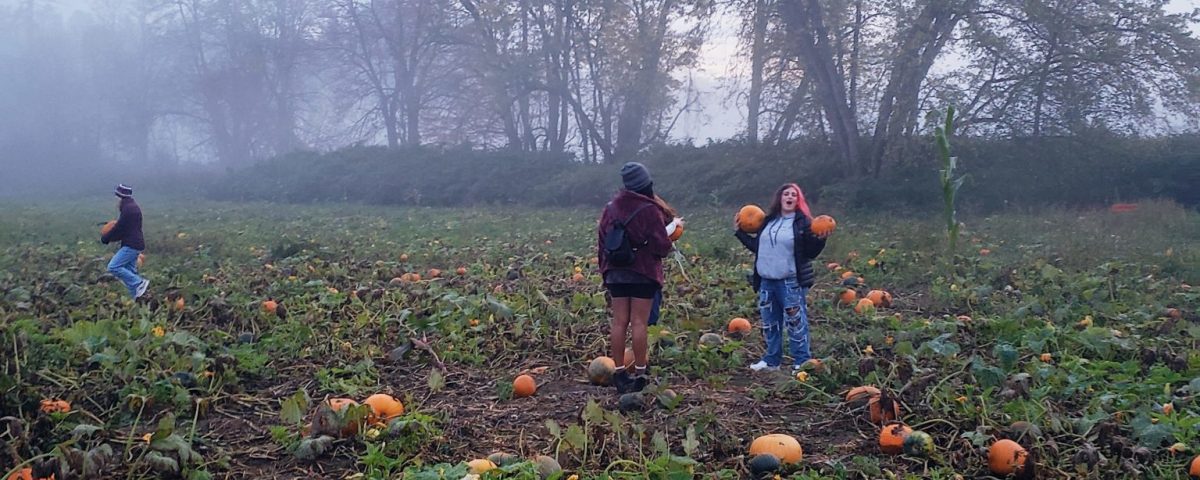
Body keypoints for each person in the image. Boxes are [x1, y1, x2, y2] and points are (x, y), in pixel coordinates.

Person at [597, 163, 680, 393]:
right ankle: (641, 373)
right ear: (646, 184)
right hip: (642, 272)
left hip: (616, 273)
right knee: (639, 323)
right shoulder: (649, 210)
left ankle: (620, 373)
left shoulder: (610, 208)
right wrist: (671, 237)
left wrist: (606, 271)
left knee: (619, 322)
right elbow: (661, 246)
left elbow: (602, 241)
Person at [734, 183, 829, 373]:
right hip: (766, 280)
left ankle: (801, 361)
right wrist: (739, 233)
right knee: (770, 322)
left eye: (794, 194)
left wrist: (821, 239)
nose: (790, 197)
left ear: (798, 200)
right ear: (780, 198)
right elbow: (757, 247)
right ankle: (771, 360)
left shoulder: (804, 223)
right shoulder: (768, 221)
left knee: (795, 322)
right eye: (786, 193)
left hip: (790, 280)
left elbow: (810, 253)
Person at [102, 184, 149, 299]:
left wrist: (106, 237)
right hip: (136, 243)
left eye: (116, 197)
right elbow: (125, 229)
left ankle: (139, 283)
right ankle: (137, 298)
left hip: (131, 245)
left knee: (113, 267)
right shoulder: (131, 207)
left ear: (120, 197)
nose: (115, 201)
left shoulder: (128, 210)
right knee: (130, 272)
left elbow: (120, 228)